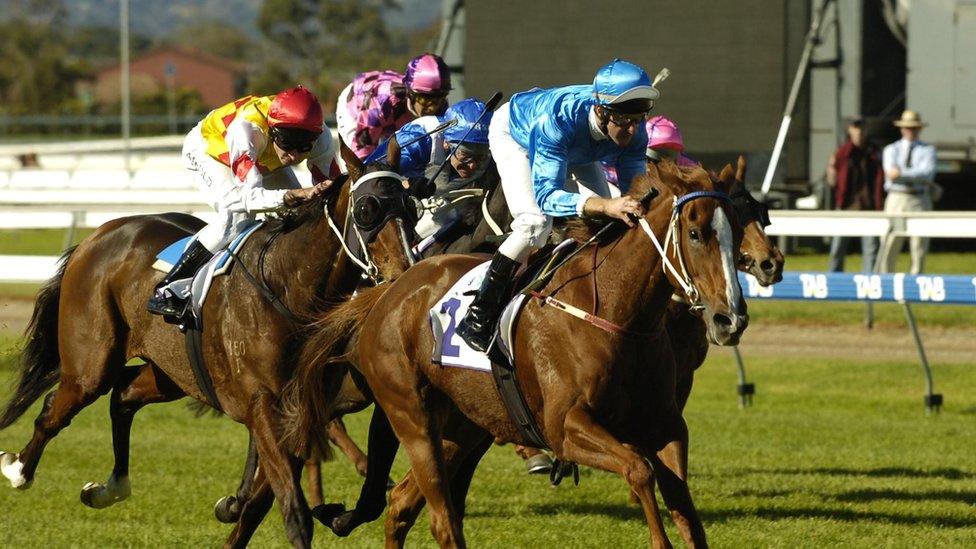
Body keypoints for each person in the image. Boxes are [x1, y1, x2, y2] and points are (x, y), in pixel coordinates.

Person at [456, 58, 657, 352]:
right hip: (518, 134)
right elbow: (547, 198)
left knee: (614, 221)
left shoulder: (634, 128)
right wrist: (605, 205)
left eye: (638, 118)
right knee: (534, 224)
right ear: (601, 110)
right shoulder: (558, 120)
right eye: (624, 119)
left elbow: (635, 191)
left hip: (579, 148)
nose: (631, 129)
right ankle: (478, 313)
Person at [147, 86, 337, 317]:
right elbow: (249, 198)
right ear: (273, 131)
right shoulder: (247, 129)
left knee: (303, 214)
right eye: (288, 144)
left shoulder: (322, 137)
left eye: (304, 147)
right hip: (211, 152)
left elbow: (332, 189)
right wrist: (290, 196)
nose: (295, 156)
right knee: (236, 216)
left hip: (263, 158)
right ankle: (169, 287)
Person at [368, 97, 495, 240]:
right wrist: (406, 187)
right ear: (446, 142)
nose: (473, 165)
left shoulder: (493, 152)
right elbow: (372, 184)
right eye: (464, 154)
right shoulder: (418, 141)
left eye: (480, 157)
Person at [335, 53, 452, 161]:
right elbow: (361, 153)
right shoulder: (382, 103)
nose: (433, 108)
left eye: (440, 97)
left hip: (389, 114)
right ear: (411, 93)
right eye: (425, 99)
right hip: (359, 106)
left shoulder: (441, 106)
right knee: (353, 166)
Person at [877, 110, 937, 274]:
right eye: (908, 128)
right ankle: (886, 284)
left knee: (919, 247)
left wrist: (902, 173)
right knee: (889, 244)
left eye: (915, 128)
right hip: (897, 198)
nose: (911, 131)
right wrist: (913, 174)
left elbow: (927, 173)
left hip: (919, 199)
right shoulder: (891, 149)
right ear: (902, 129)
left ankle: (915, 285)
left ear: (919, 129)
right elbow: (890, 174)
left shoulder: (928, 150)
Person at [825, 116, 884, 272]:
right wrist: (831, 170)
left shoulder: (874, 152)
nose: (859, 132)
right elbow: (832, 181)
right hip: (846, 206)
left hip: (868, 207)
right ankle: (833, 282)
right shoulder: (842, 152)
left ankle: (869, 286)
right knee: (837, 248)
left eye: (862, 128)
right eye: (856, 128)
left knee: (871, 250)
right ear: (850, 130)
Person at [602, 115, 697, 185]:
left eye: (669, 154)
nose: (663, 164)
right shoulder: (622, 158)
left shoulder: (687, 166)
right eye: (655, 155)